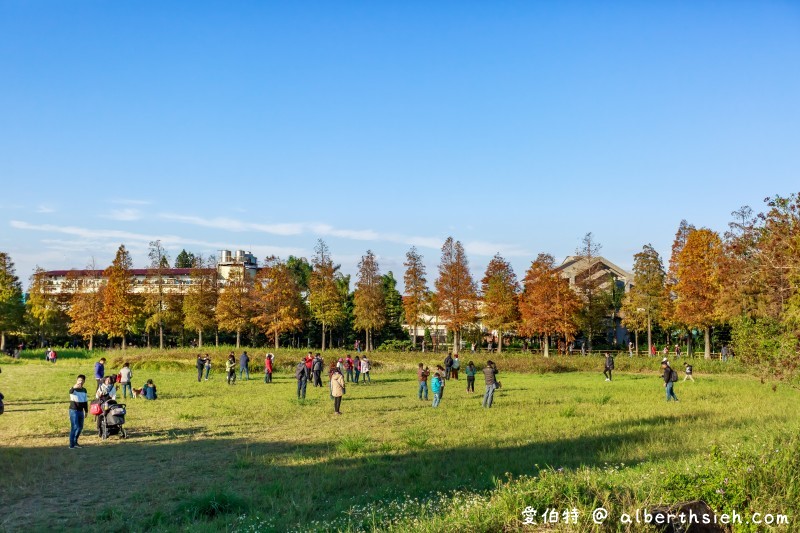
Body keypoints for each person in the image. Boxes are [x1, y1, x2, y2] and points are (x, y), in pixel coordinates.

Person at [69, 375, 89, 449]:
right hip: (73, 410)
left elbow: (85, 401)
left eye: (82, 380)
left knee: (80, 427)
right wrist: (74, 387)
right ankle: (71, 445)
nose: (80, 382)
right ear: (77, 380)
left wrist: (86, 411)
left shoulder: (84, 390)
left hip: (81, 411)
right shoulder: (73, 389)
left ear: (84, 381)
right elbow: (70, 392)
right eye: (79, 380)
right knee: (74, 427)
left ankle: (75, 441)